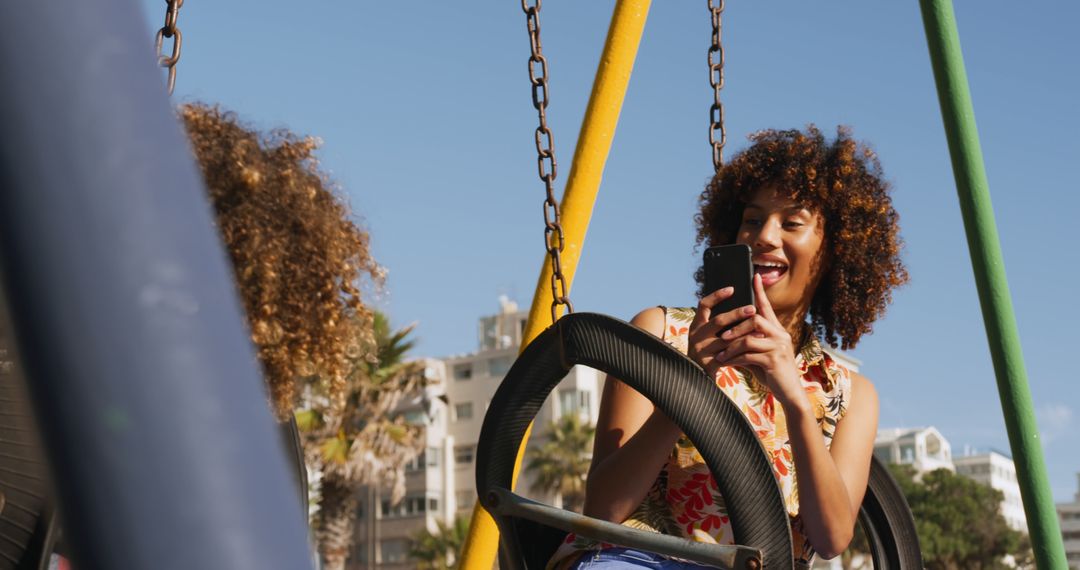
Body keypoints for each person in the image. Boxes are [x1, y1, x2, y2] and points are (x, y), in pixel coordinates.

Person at [550, 126, 908, 569]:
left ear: (835, 250)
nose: (764, 236)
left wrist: (795, 399)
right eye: (753, 220)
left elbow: (831, 537)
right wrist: (686, 385)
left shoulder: (849, 394)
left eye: (791, 222)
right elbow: (603, 510)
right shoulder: (661, 334)